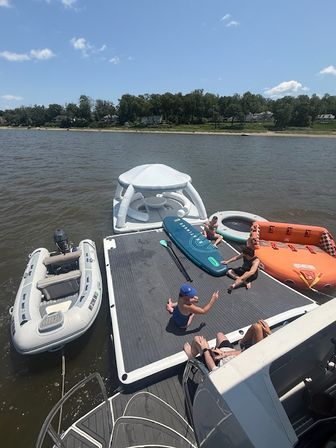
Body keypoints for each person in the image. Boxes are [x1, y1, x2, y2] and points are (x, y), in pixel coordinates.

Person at [183, 320, 271, 372]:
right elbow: (243, 353)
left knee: (197, 339)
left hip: (217, 363)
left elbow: (213, 369)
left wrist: (205, 349)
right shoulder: (252, 358)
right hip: (228, 355)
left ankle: (191, 357)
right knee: (219, 335)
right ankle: (242, 343)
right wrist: (225, 353)